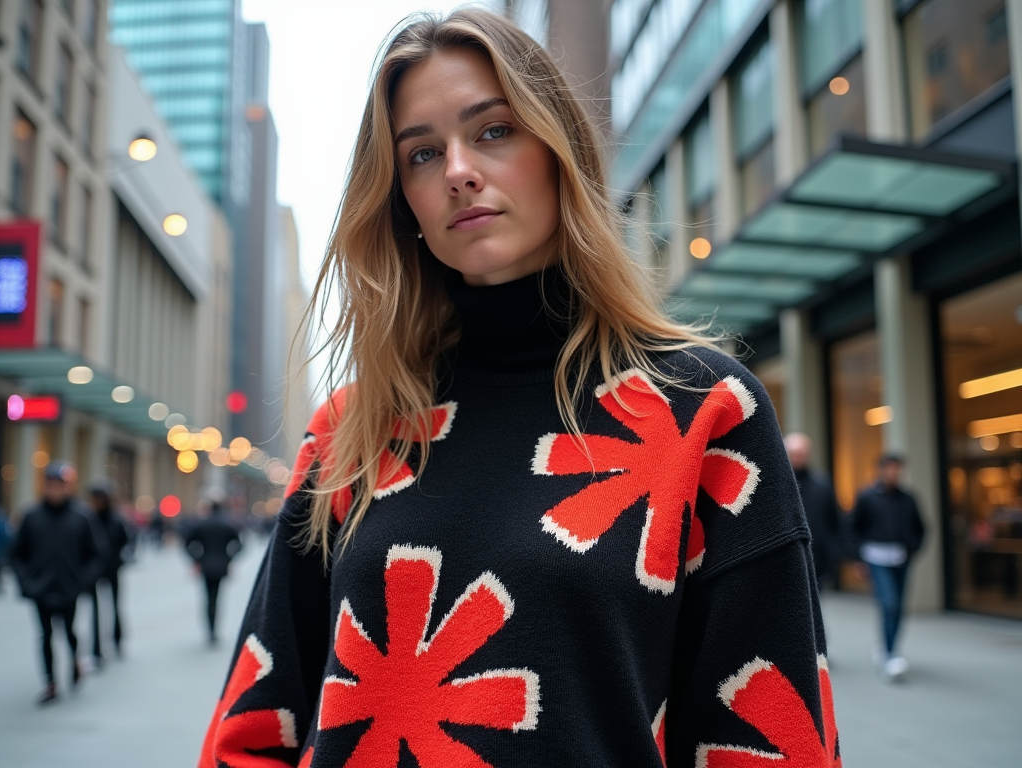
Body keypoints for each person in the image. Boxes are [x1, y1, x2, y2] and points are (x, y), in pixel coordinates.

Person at [198, 11, 840, 767]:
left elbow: (773, 736)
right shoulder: (353, 429)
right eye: (423, 153)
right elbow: (253, 721)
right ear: (402, 198)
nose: (459, 170)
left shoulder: (705, 412)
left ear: (557, 148)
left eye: (494, 130)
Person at [11, 461, 103, 704]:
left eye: (59, 485)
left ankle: (75, 661)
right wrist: (27, 583)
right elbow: (17, 554)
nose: (55, 490)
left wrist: (83, 582)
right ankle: (50, 682)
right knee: (45, 635)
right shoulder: (32, 516)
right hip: (41, 589)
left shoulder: (81, 517)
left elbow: (95, 553)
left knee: (69, 631)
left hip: (69, 588)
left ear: (67, 487)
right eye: (51, 485)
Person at [852, 454, 926, 682]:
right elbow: (853, 527)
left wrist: (912, 549)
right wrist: (858, 558)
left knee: (898, 607)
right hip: (876, 558)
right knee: (889, 602)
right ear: (882, 470)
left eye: (898, 469)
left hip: (901, 559)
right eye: (891, 469)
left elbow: (921, 527)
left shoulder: (908, 498)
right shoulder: (867, 497)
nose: (895, 473)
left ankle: (888, 648)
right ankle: (891, 655)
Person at [784, 433, 843, 590]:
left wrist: (834, 552)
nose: (798, 458)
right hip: (785, 557)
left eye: (802, 454)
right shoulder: (776, 485)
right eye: (794, 454)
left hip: (817, 556)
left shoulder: (822, 484)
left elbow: (834, 519)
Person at [87, 479, 132, 664]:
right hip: (94, 569)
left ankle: (117, 639)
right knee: (95, 610)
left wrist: (117, 557)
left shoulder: (115, 519)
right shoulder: (88, 519)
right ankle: (96, 649)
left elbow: (125, 540)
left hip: (112, 568)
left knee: (115, 605)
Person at [185, 499, 242, 645]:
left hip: (206, 564)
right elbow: (240, 544)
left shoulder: (202, 524)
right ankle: (214, 630)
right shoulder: (227, 524)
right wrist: (229, 558)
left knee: (208, 599)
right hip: (222, 565)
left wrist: (196, 558)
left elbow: (187, 542)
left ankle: (210, 630)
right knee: (217, 598)